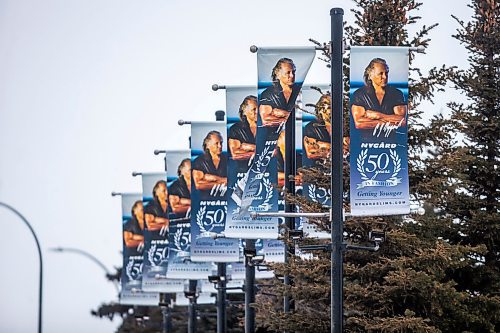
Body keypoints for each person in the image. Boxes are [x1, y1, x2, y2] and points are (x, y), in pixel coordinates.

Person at [351, 58, 407, 130]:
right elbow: (359, 123)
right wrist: (390, 121)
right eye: (380, 73)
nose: (385, 77)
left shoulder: (396, 94)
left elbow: (402, 122)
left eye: (386, 73)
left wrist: (379, 116)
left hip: (391, 140)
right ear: (370, 76)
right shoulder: (360, 94)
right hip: (365, 141)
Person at [259, 58, 301, 127]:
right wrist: (289, 119)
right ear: (278, 74)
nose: (292, 76)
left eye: (293, 72)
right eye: (288, 72)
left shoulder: (299, 91)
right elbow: (266, 121)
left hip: (296, 133)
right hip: (274, 136)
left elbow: (301, 116)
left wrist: (283, 113)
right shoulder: (268, 94)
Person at [192, 131, 228, 196]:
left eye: (221, 143)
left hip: (225, 199)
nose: (220, 146)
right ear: (208, 145)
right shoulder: (199, 161)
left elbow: (233, 180)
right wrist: (222, 180)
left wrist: (211, 179)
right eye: (216, 143)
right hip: (205, 201)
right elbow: (199, 185)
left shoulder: (227, 159)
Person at [228, 95, 257, 162]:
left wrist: (248, 147)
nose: (257, 112)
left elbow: (274, 151)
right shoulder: (235, 129)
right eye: (254, 109)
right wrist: (257, 150)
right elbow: (235, 155)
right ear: (245, 111)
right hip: (242, 169)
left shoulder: (266, 127)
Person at [303, 94, 332, 160]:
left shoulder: (345, 126)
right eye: (329, 107)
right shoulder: (311, 127)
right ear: (320, 110)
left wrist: (322, 146)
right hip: (318, 167)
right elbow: (311, 154)